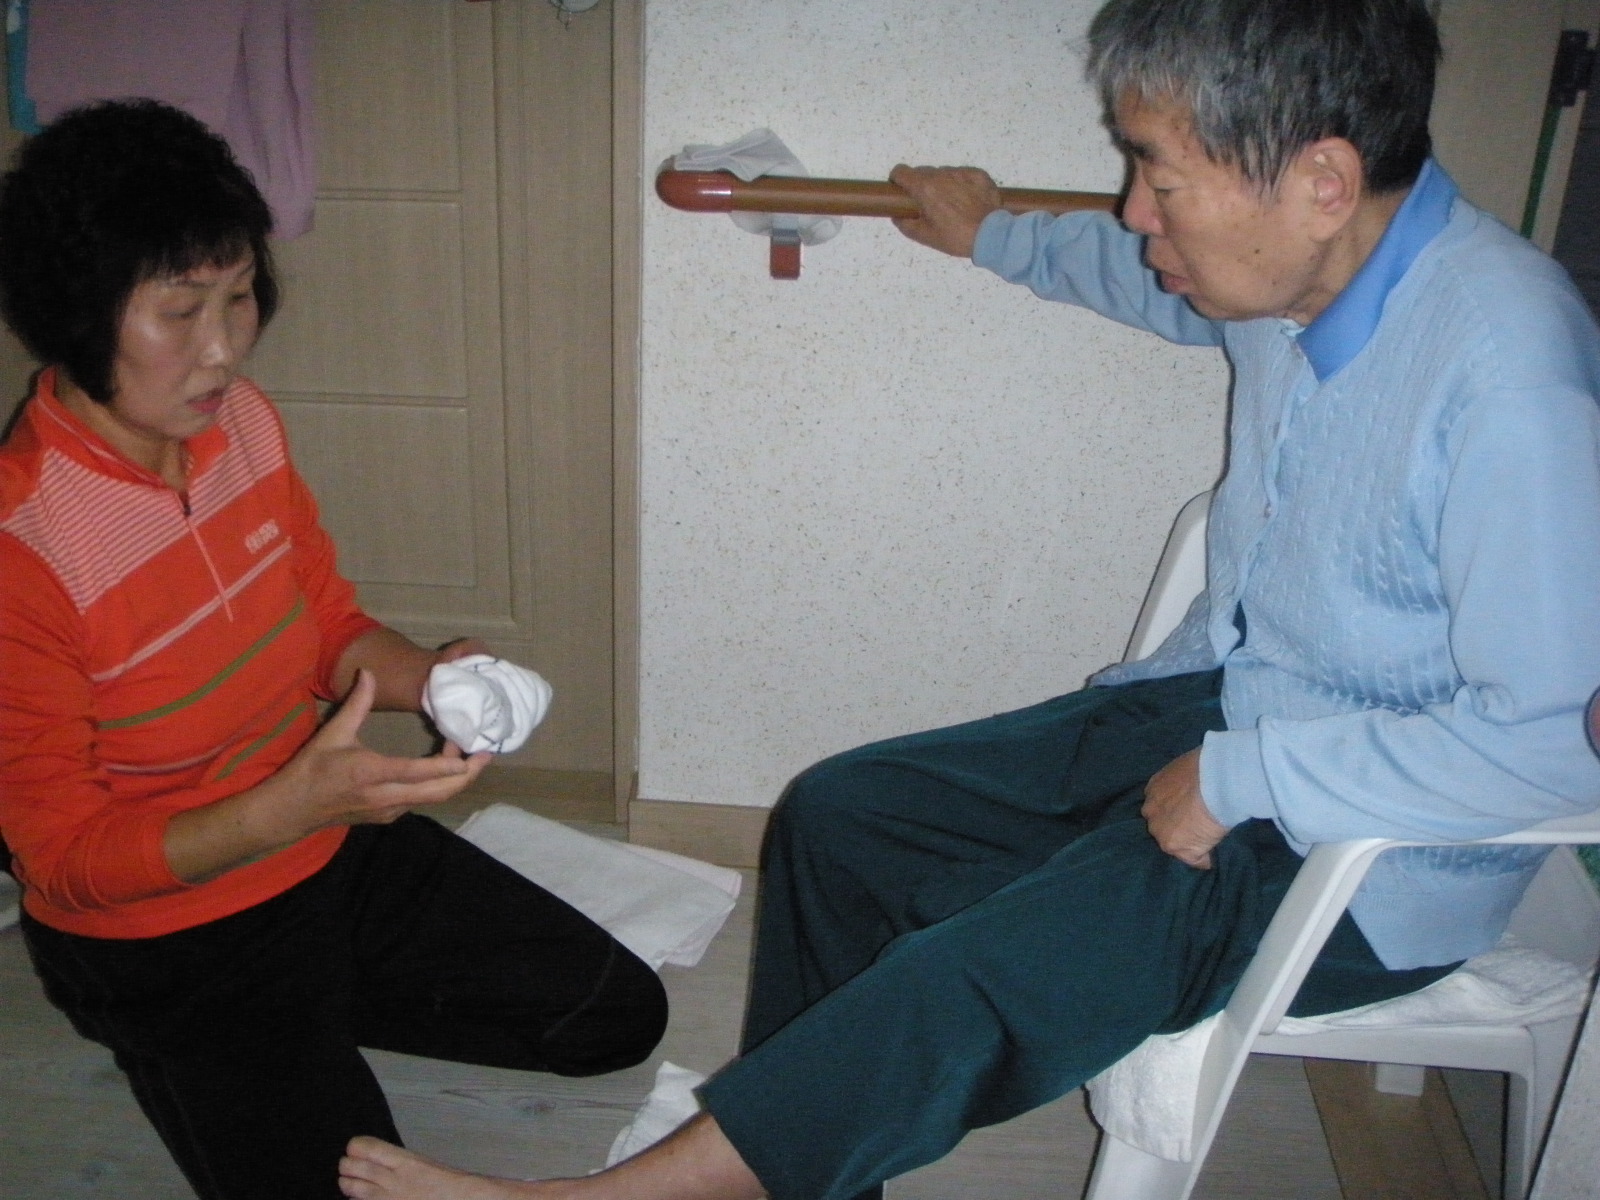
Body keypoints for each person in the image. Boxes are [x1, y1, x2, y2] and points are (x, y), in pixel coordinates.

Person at [336, 1, 1600, 1198]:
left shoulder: (1508, 381)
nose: (1135, 211)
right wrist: (987, 232)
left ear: (1319, 180)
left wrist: (1248, 779)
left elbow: (1557, 747)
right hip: (1235, 706)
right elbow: (1137, 274)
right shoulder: (1299, 274)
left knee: (983, 969)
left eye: (1160, 178)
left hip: (1371, 856)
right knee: (843, 817)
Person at [0, 99, 667, 1200]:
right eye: (181, 312)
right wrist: (291, 808)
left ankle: (291, 1025)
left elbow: (324, 627)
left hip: (317, 844)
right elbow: (66, 859)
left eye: (239, 296)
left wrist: (438, 679)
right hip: (167, 929)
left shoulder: (243, 426)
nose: (224, 348)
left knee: (613, 1016)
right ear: (76, 315)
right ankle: (208, 1040)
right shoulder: (25, 544)